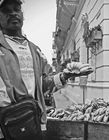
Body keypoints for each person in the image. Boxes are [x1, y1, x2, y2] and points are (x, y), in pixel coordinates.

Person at [0, 0, 93, 139]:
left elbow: (44, 83)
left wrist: (65, 75)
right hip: (5, 127)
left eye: (17, 9)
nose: (13, 13)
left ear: (22, 14)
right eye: (7, 10)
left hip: (33, 122)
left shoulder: (34, 50)